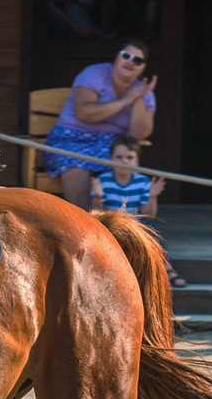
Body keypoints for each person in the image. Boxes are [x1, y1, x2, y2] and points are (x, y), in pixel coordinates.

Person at [43, 40, 157, 211]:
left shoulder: (143, 91)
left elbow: (139, 134)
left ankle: (120, 226)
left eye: (137, 61)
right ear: (117, 58)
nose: (130, 62)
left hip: (111, 145)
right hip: (69, 138)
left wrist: (137, 98)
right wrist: (126, 100)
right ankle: (83, 225)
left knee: (124, 163)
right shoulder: (94, 74)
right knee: (76, 165)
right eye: (126, 56)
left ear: (142, 68)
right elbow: (84, 113)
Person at [89, 136, 186, 289]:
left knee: (151, 229)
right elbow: (97, 213)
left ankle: (167, 270)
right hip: (111, 223)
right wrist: (99, 196)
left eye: (129, 157)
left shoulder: (143, 181)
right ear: (110, 159)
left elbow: (149, 215)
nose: (124, 161)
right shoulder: (102, 180)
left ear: (137, 161)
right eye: (119, 157)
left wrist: (152, 196)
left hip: (136, 223)